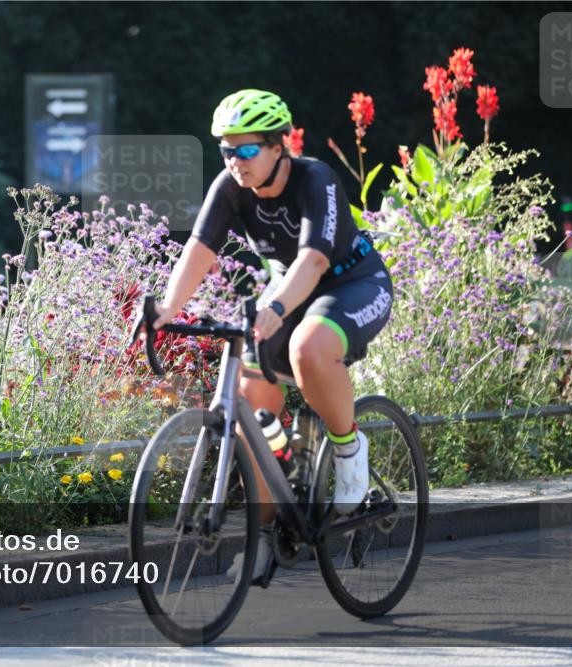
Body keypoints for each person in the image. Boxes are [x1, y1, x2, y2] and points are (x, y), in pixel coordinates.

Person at [148, 89, 394, 584]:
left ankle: (348, 449)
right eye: (225, 150)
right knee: (250, 409)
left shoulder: (314, 179)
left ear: (279, 145)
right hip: (291, 288)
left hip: (351, 282)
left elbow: (314, 260)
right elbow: (199, 250)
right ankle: (265, 532)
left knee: (308, 350)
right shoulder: (230, 187)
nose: (234, 160)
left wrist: (276, 307)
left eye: (245, 149)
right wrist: (164, 310)